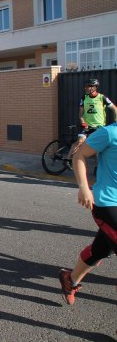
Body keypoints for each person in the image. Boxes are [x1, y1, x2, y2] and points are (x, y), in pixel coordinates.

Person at [58, 121, 117, 306]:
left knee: (102, 249)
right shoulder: (109, 133)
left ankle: (70, 280)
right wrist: (84, 187)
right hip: (108, 202)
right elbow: (79, 155)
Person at [69, 78, 116, 158]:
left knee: (100, 147)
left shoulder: (102, 98)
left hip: (99, 127)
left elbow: (115, 109)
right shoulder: (84, 98)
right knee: (79, 141)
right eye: (85, 86)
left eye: (88, 86)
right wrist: (83, 122)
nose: (86, 88)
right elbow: (80, 113)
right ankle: (69, 160)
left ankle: (98, 165)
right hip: (87, 125)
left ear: (94, 87)